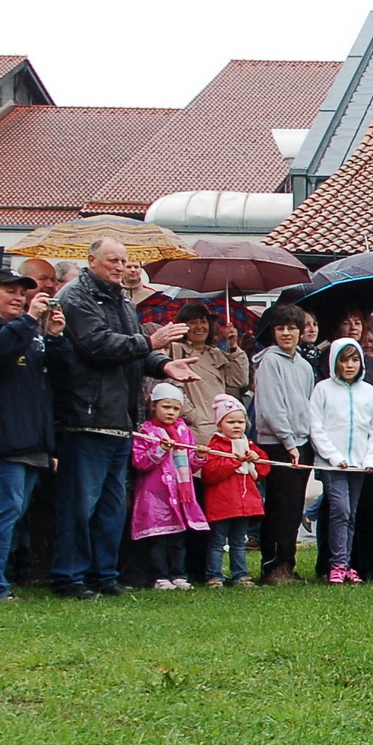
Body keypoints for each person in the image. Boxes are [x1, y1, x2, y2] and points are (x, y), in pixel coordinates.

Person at [50, 239, 197, 599]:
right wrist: (150, 344)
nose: (120, 266)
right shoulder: (75, 297)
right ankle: (69, 576)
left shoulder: (121, 300)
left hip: (121, 420)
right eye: (113, 260)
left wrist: (163, 365)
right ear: (91, 261)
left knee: (112, 506)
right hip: (86, 417)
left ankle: (104, 575)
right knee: (80, 505)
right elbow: (97, 345)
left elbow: (132, 352)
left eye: (124, 260)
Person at [0, 269, 67, 600]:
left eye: (21, 291)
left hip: (32, 442)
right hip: (6, 444)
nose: (18, 296)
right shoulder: (15, 330)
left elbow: (54, 380)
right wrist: (29, 320)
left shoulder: (31, 332)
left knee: (15, 515)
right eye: (9, 290)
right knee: (5, 512)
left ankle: (9, 579)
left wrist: (54, 338)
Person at [309, 338, 373, 584]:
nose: (349, 365)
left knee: (351, 513)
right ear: (335, 363)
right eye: (344, 360)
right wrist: (334, 456)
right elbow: (316, 428)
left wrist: (371, 459)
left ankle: (347, 564)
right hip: (333, 464)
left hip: (358, 464)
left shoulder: (368, 391)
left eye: (354, 360)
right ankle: (337, 564)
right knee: (340, 510)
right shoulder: (323, 389)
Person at [254, 303, 316, 584]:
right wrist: (289, 442)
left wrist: (304, 440)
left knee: (293, 508)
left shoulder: (303, 365)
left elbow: (306, 403)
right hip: (278, 443)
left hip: (302, 442)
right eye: (281, 328)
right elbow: (271, 406)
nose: (286, 333)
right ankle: (274, 565)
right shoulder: (269, 361)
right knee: (279, 507)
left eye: (291, 328)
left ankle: (287, 563)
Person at [130, 383, 208, 590]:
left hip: (182, 496)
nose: (170, 412)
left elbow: (189, 466)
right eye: (166, 407)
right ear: (153, 406)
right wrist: (159, 450)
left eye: (175, 408)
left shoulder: (184, 431)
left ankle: (179, 574)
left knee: (178, 539)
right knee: (158, 539)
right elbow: (139, 462)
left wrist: (199, 457)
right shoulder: (146, 432)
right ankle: (160, 576)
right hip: (156, 496)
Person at [201, 394, 268, 586]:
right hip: (222, 504)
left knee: (239, 542)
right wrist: (233, 461)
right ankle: (214, 575)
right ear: (220, 423)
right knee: (217, 542)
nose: (237, 426)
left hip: (244, 505)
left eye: (241, 421)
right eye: (231, 421)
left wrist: (257, 458)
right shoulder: (215, 446)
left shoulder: (249, 444)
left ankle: (241, 575)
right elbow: (210, 473)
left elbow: (263, 471)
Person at [165, 299, 251, 444]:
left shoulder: (215, 353)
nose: (199, 327)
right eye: (192, 322)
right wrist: (193, 416)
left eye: (203, 321)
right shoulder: (176, 350)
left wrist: (234, 346)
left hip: (220, 425)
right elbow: (174, 387)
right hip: (195, 428)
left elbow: (239, 380)